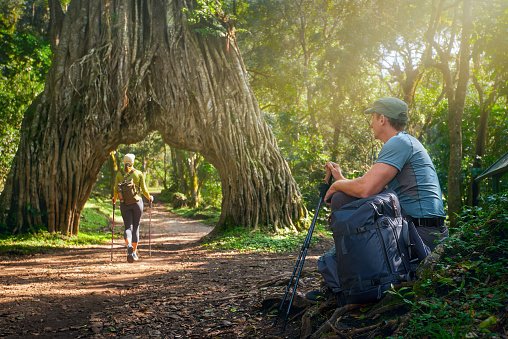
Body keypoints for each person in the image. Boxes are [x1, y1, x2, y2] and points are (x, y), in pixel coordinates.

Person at [324, 97, 448, 250]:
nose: (371, 125)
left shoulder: (399, 142)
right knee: (346, 195)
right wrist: (341, 180)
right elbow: (372, 188)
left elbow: (366, 190)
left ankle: (348, 262)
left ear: (382, 119)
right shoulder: (406, 141)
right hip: (423, 227)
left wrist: (337, 185)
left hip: (420, 233)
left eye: (372, 118)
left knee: (341, 199)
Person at [112, 153, 154, 263]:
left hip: (124, 203)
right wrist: (150, 197)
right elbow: (144, 190)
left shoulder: (119, 174)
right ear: (133, 162)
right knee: (136, 226)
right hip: (137, 203)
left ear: (124, 162)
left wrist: (114, 199)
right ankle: (134, 252)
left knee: (127, 227)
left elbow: (116, 189)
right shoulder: (138, 174)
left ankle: (129, 245)